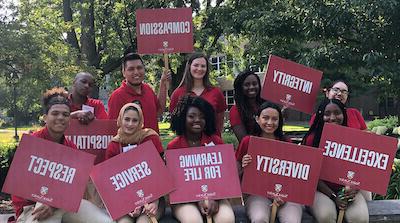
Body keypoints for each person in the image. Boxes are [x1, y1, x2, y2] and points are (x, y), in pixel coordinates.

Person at [11, 87, 112, 223]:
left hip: (62, 203)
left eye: (65, 115)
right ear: (45, 118)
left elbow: (76, 186)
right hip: (33, 206)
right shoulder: (31, 144)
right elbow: (21, 189)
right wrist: (49, 201)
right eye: (55, 113)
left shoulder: (71, 148)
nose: (60, 118)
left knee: (105, 221)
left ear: (70, 120)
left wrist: (54, 202)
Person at [167, 95, 235, 223]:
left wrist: (214, 198)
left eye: (202, 117)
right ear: (182, 118)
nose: (197, 120)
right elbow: (175, 184)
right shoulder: (174, 147)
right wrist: (197, 198)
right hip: (184, 200)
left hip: (216, 197)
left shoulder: (216, 143)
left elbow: (226, 177)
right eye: (191, 116)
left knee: (227, 219)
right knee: (193, 221)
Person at [302, 98, 369, 223]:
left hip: (347, 191)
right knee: (326, 216)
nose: (332, 118)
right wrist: (334, 196)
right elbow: (310, 175)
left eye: (337, 113)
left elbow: (362, 168)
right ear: (321, 115)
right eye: (327, 114)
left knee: (360, 218)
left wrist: (354, 188)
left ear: (343, 114)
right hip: (320, 190)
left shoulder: (353, 137)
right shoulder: (311, 139)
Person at [236, 102, 303, 223]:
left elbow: (295, 174)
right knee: (259, 218)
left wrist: (285, 194)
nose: (270, 123)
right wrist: (243, 166)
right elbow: (236, 173)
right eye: (265, 118)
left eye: (274, 119)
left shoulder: (287, 143)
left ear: (279, 121)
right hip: (256, 194)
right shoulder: (248, 141)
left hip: (286, 195)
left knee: (292, 220)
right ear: (257, 119)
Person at [105, 103, 164, 223]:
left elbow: (161, 173)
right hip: (124, 201)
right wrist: (128, 203)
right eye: (127, 119)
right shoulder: (114, 145)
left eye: (135, 120)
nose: (130, 124)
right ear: (120, 119)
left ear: (140, 121)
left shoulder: (150, 138)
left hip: (154, 198)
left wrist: (155, 201)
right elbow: (111, 181)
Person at [108, 51, 171, 133]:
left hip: (154, 144)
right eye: (131, 69)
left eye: (139, 68)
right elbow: (113, 130)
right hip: (133, 145)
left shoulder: (148, 89)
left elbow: (159, 111)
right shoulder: (117, 96)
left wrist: (163, 83)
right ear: (123, 72)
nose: (136, 72)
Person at [169, 53, 227, 136]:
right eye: (196, 65)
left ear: (207, 69)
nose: (199, 69)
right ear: (189, 67)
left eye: (203, 66)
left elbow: (220, 120)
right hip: (187, 144)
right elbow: (175, 121)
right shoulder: (177, 93)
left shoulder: (216, 92)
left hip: (211, 143)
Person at [229, 70, 265, 142]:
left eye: (254, 84)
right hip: (249, 150)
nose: (251, 87)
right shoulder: (236, 110)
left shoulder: (265, 105)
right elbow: (244, 140)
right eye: (247, 85)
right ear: (240, 88)